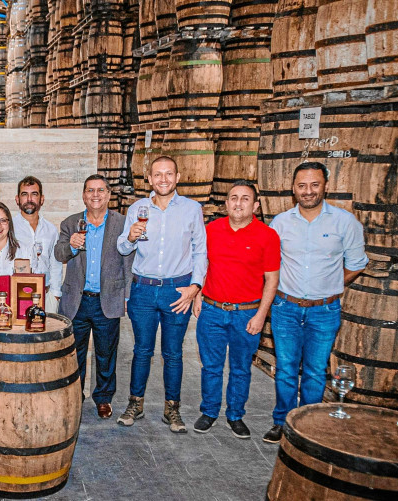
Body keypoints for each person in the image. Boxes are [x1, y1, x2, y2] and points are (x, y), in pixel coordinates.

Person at [262, 162, 367, 443]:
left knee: (315, 370)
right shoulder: (280, 223)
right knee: (285, 368)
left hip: (325, 310)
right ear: (293, 188)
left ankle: (308, 426)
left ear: (325, 186)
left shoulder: (345, 223)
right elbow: (270, 265)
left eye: (314, 185)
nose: (308, 191)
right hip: (286, 307)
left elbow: (357, 263)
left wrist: (330, 286)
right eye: (302, 185)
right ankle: (282, 421)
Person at [116, 156, 206, 433]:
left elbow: (199, 250)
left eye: (169, 174)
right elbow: (122, 248)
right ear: (150, 179)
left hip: (176, 290)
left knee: (173, 353)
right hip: (143, 289)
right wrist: (130, 236)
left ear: (177, 177)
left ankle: (172, 409)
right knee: (141, 351)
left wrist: (196, 286)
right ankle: (135, 403)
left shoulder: (192, 209)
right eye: (158, 174)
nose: (163, 179)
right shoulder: (138, 208)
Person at [191, 181, 279, 439]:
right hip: (213, 310)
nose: (238, 203)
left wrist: (261, 315)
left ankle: (235, 415)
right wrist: (198, 294)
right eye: (233, 198)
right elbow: (204, 265)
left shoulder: (267, 235)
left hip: (247, 313)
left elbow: (272, 279)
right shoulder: (212, 230)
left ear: (256, 205)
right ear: (226, 203)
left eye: (245, 198)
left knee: (241, 368)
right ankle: (209, 412)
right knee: (211, 366)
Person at [54, 174, 133, 419]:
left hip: (107, 299)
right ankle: (74, 396)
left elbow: (129, 261)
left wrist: (127, 296)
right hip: (76, 301)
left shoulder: (122, 223)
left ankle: (103, 398)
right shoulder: (71, 223)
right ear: (83, 195)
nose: (95, 195)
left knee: (106, 353)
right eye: (90, 190)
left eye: (100, 190)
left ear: (109, 195)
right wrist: (73, 245)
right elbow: (59, 254)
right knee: (74, 353)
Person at [12, 176, 63, 307]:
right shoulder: (9, 228)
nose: (29, 199)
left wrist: (55, 294)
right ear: (17, 199)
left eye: (34, 194)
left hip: (46, 296)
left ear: (42, 199)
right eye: (24, 194)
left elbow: (55, 263)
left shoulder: (51, 229)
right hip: (17, 295)